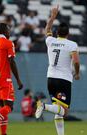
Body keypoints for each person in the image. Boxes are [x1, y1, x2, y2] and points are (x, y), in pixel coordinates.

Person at [35, 5, 80, 135]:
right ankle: (43, 106)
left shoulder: (50, 41)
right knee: (64, 112)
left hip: (50, 78)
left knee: (58, 111)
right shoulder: (72, 44)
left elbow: (47, 29)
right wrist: (77, 73)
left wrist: (53, 17)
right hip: (64, 79)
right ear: (68, 34)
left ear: (57, 33)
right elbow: (76, 61)